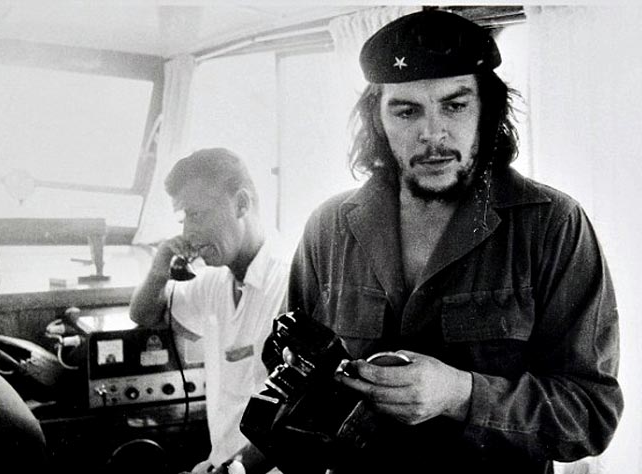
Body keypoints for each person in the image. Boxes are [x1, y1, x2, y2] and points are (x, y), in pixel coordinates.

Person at [282, 9, 623, 474]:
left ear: (487, 111)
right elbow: (288, 366)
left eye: (455, 106)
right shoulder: (328, 228)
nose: (432, 134)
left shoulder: (552, 225)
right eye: (406, 111)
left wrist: (460, 394)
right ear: (377, 119)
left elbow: (590, 416)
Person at [130, 148, 288, 473]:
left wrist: (231, 469)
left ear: (241, 204)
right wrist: (159, 270)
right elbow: (144, 315)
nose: (188, 232)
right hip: (222, 464)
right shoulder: (215, 279)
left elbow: (294, 414)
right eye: (183, 219)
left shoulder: (290, 279)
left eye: (197, 215)